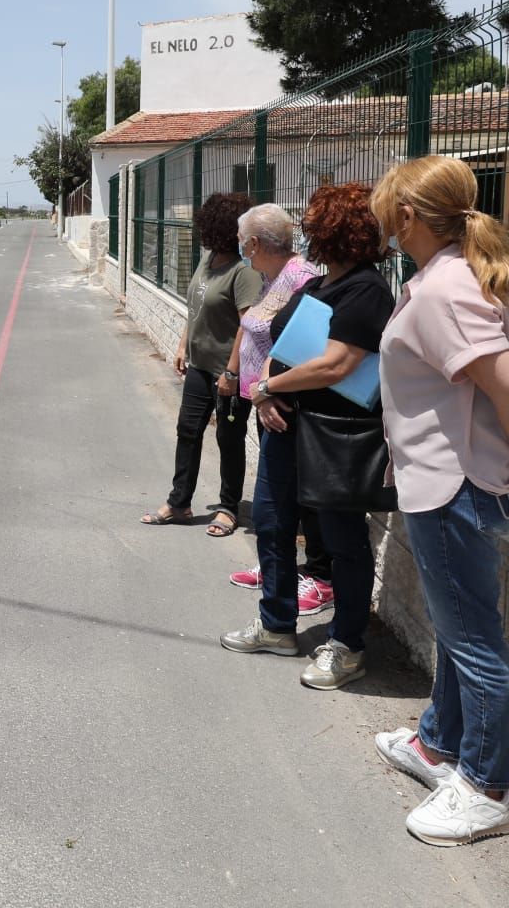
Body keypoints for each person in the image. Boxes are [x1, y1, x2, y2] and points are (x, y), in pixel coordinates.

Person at [368, 156, 509, 846]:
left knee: (474, 642)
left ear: (408, 217)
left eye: (385, 207)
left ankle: (485, 788)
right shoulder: (454, 277)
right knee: (458, 630)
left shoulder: (445, 288)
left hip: (453, 489)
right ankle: (437, 745)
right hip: (451, 484)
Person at [222, 183, 393, 693]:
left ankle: (347, 645)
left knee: (342, 540)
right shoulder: (315, 286)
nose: (306, 231)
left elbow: (338, 365)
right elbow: (275, 342)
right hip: (287, 427)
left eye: (314, 223)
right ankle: (276, 626)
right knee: (273, 524)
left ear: (335, 231)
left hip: (334, 437)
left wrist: (268, 386)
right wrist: (267, 394)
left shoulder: (366, 289)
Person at [222, 203, 337, 615]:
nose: (240, 249)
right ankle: (279, 567)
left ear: (254, 242)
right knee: (279, 497)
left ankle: (320, 578)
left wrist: (269, 391)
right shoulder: (271, 278)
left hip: (286, 404)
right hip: (265, 400)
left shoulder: (300, 279)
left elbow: (302, 348)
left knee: (302, 496)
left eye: (242, 243)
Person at [141, 192, 262, 533]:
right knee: (188, 432)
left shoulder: (244, 271)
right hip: (198, 366)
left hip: (227, 372)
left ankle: (228, 507)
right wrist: (182, 344)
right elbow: (194, 304)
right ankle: (179, 503)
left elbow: (247, 325)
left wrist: (232, 372)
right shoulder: (209, 260)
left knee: (229, 438)